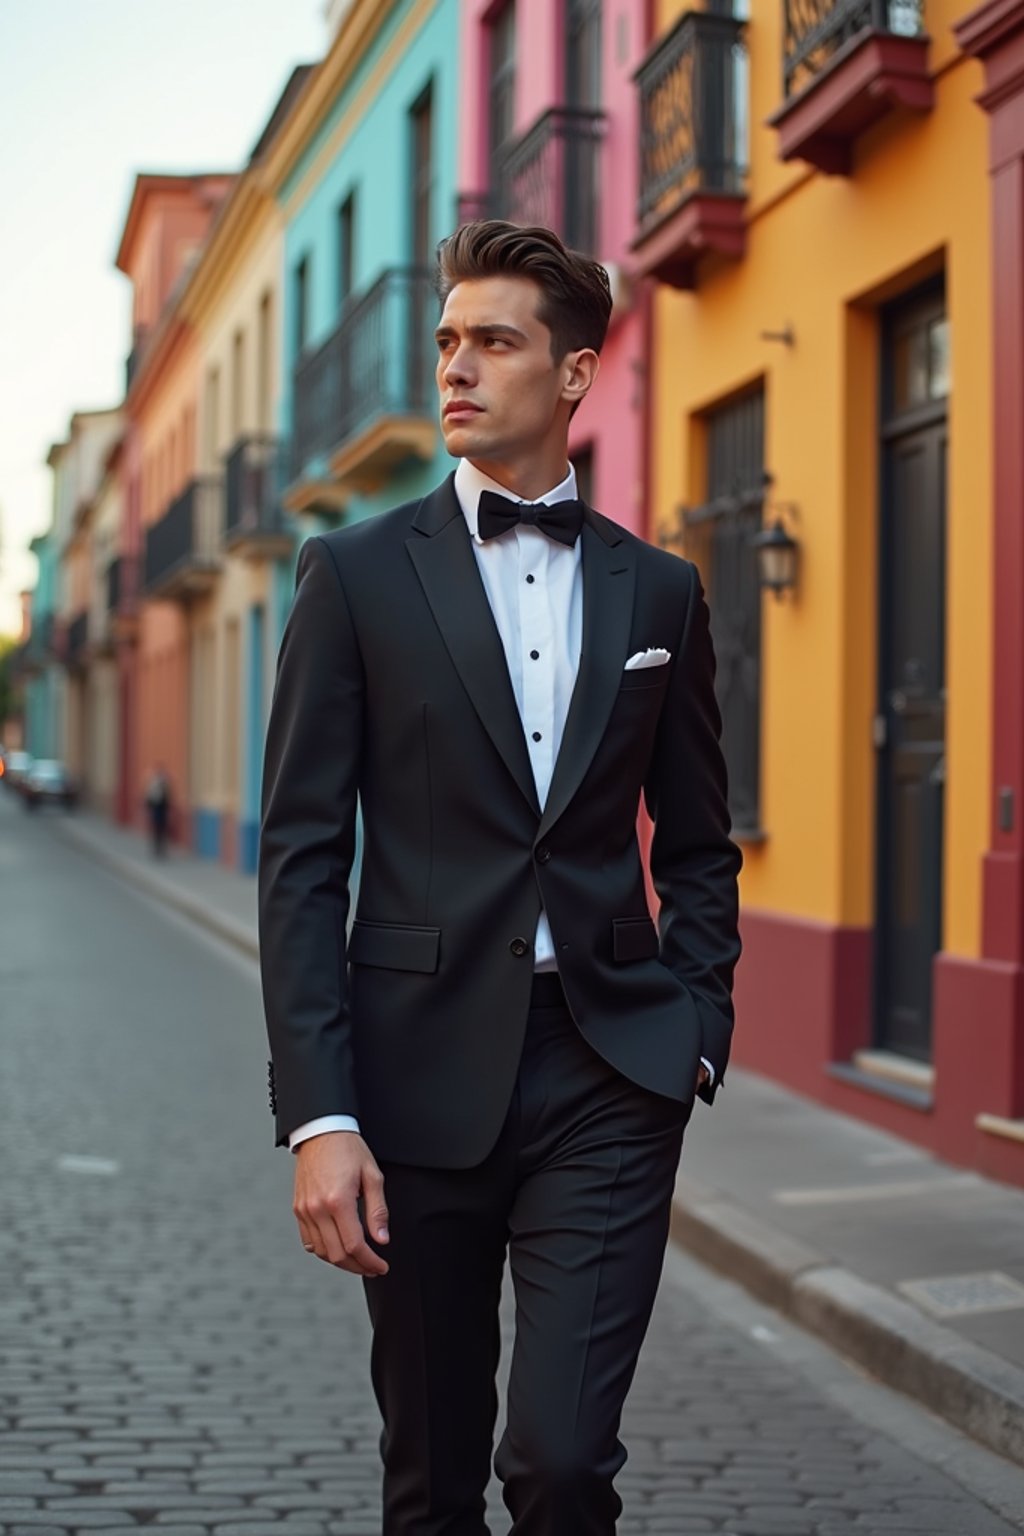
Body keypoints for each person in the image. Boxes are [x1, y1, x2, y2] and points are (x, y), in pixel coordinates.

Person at [259, 220, 742, 1536]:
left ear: (578, 373)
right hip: (413, 1080)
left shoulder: (663, 595)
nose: (456, 369)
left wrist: (698, 1023)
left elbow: (699, 841)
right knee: (432, 1478)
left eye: (494, 343)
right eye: (447, 343)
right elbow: (301, 854)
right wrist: (320, 1115)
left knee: (565, 1464)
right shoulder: (354, 576)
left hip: (609, 1070)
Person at [144, 764, 171, 858]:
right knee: (157, 830)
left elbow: (167, 798)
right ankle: (157, 849)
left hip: (161, 810)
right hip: (157, 809)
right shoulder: (154, 784)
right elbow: (149, 798)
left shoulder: (164, 784)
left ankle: (160, 849)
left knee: (161, 830)